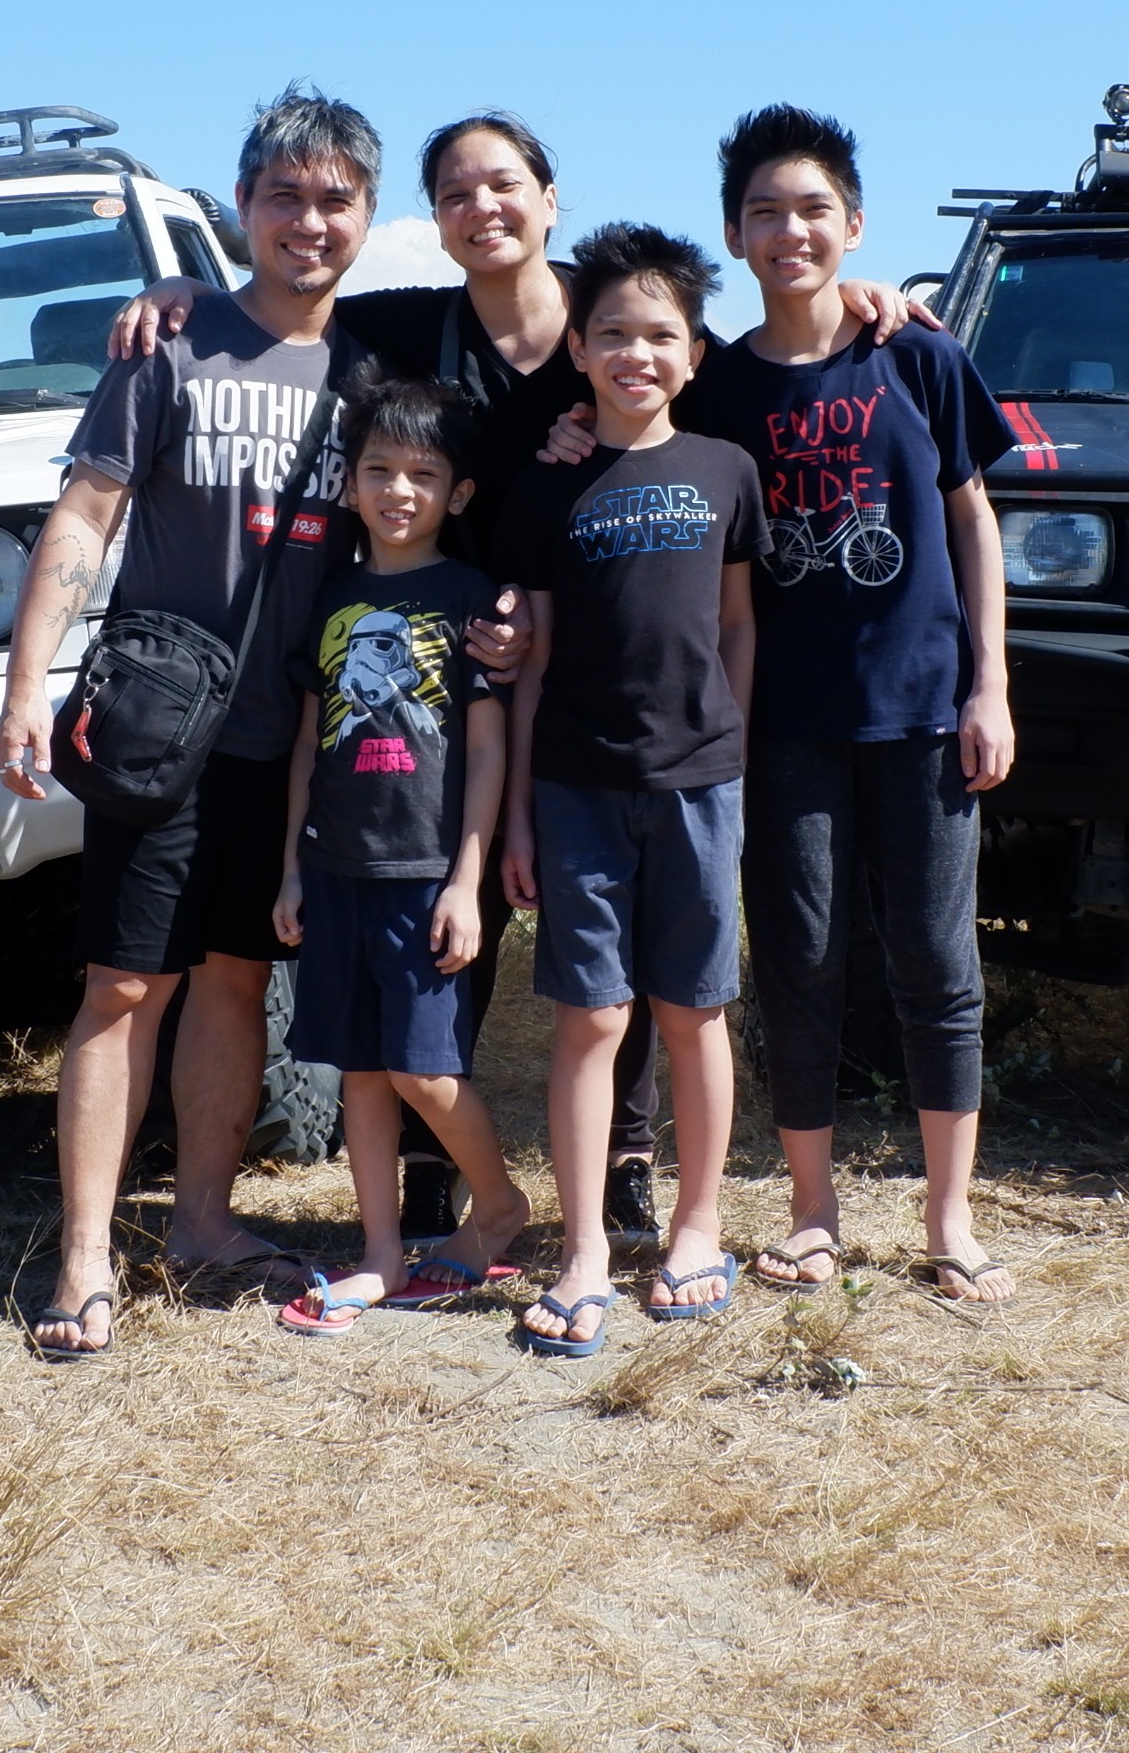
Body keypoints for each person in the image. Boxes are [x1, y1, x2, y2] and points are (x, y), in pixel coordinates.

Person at [105, 114, 931, 1243]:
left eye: (505, 184)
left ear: (551, 198)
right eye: (454, 191)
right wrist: (178, 292)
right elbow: (288, 307)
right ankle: (436, 1169)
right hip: (452, 673)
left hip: (606, 681)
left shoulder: (612, 317)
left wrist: (867, 295)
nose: (481, 206)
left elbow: (730, 355)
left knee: (645, 950)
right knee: (464, 910)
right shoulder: (404, 326)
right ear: (437, 220)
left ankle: (628, 1162)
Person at [0, 86, 376, 1361]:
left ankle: (203, 1222)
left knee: (233, 980)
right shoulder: (166, 343)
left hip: (291, 733)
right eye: (284, 196)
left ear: (367, 216)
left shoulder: (374, 369)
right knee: (120, 984)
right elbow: (85, 517)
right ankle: (87, 1252)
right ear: (243, 207)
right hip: (160, 729)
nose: (307, 223)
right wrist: (23, 687)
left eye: (335, 200)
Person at [680, 106, 1024, 1305]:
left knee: (936, 961)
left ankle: (949, 1217)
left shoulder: (916, 352)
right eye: (766, 210)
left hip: (926, 715)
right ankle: (812, 1212)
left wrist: (991, 683)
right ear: (733, 232)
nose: (791, 230)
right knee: (800, 964)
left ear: (855, 223)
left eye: (814, 208)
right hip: (783, 726)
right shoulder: (716, 387)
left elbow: (975, 517)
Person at [495, 222, 761, 1357]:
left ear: (693, 353)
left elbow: (742, 624)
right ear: (582, 351)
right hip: (576, 785)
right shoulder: (548, 485)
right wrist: (513, 810)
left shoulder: (726, 470)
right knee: (591, 1016)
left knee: (692, 1009)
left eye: (660, 334)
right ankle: (586, 1250)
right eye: (612, 332)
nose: (635, 352)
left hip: (700, 782)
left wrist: (728, 745)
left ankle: (697, 1225)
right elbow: (529, 661)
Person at [265, 377, 533, 1335]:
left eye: (424, 474)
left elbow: (492, 746)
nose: (400, 491)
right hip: (335, 866)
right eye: (379, 470)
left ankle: (498, 1203)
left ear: (458, 493)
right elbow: (307, 739)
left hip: (427, 874)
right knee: (362, 1072)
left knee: (425, 1068)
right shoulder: (330, 595)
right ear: (350, 483)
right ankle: (380, 1250)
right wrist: (294, 867)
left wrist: (468, 877)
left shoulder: (471, 598)